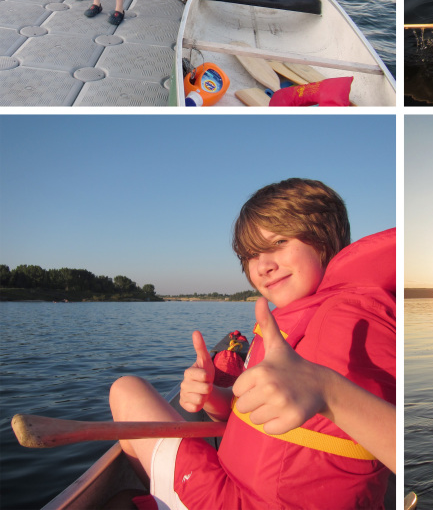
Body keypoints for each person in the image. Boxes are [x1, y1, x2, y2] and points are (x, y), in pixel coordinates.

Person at [109, 178, 396, 509]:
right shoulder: (292, 320)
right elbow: (259, 419)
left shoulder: (357, 313)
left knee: (126, 389)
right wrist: (213, 397)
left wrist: (328, 390)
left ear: (326, 238)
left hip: (239, 501)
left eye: (278, 242)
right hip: (235, 486)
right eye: (250, 255)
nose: (262, 266)